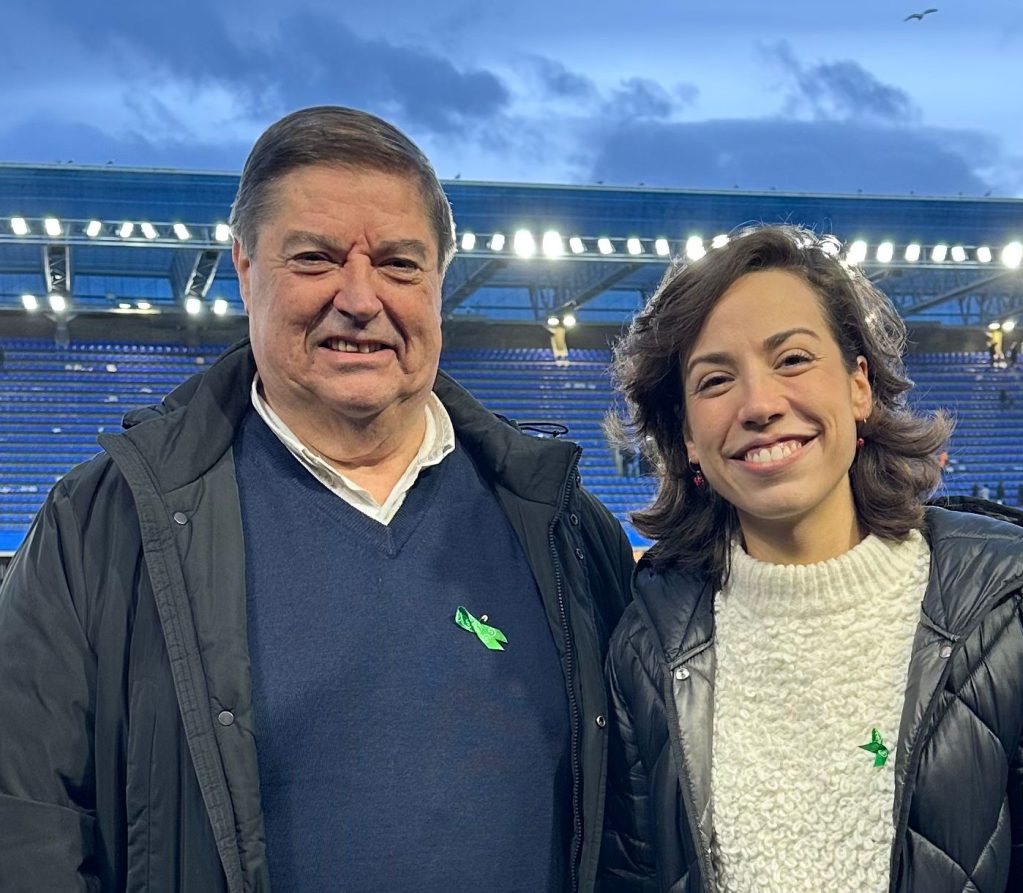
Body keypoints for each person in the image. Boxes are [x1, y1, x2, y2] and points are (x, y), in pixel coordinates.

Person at [0, 106, 634, 892]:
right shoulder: (100, 528)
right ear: (244, 267)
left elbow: (633, 829)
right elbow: (23, 829)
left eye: (399, 263)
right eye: (315, 258)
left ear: (439, 281)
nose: (360, 298)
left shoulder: (566, 529)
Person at [600, 225, 1023, 891]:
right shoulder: (647, 643)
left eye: (792, 359)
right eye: (715, 379)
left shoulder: (1022, 612)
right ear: (686, 433)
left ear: (859, 385)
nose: (759, 404)